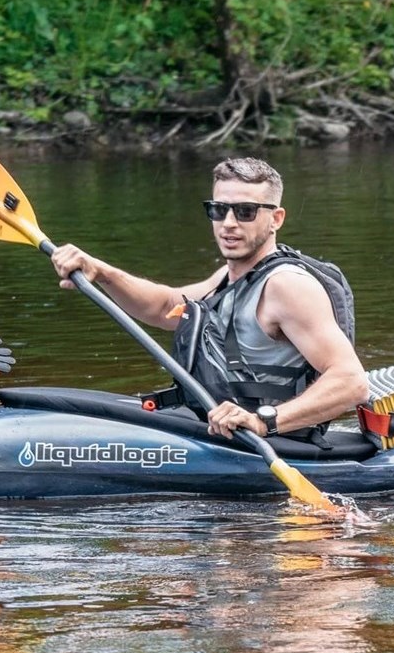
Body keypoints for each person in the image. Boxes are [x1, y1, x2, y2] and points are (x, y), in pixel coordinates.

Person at [50, 157, 369, 442]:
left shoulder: (287, 286)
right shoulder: (229, 279)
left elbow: (352, 381)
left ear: (276, 219)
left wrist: (262, 422)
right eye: (219, 210)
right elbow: (165, 307)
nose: (229, 222)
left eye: (245, 211)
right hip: (222, 431)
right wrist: (103, 272)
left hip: (270, 443)